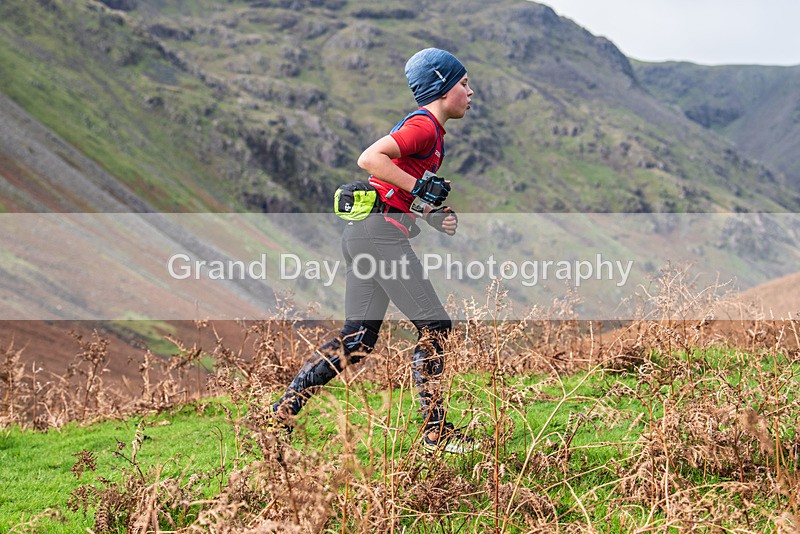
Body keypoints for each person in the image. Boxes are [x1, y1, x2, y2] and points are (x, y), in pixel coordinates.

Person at [270, 48, 476, 454]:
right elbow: (370, 158)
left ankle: (281, 413)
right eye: (464, 84)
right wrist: (420, 189)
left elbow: (392, 190)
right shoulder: (425, 128)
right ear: (442, 86)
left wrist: (429, 212)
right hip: (379, 237)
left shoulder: (431, 136)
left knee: (358, 340)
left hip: (368, 233)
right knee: (436, 327)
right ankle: (436, 435)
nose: (471, 92)